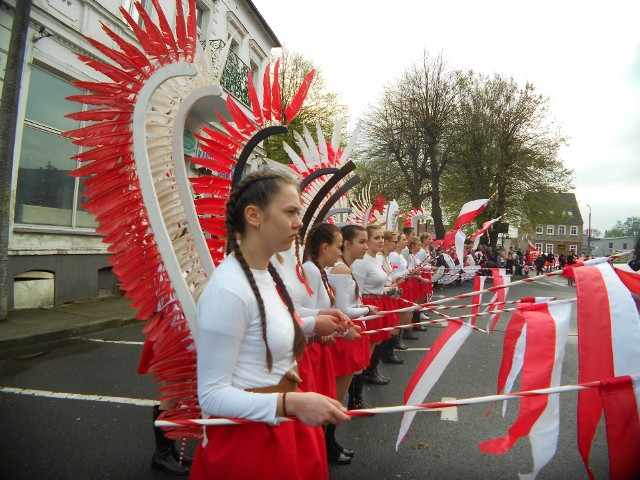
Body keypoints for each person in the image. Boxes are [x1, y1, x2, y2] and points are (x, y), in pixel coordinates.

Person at [191, 171, 350, 480]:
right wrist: (290, 402)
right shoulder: (229, 289)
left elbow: (263, 334)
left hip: (280, 430)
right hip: (251, 446)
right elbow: (210, 395)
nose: (299, 222)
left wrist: (313, 323)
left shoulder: (263, 275)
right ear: (254, 215)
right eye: (290, 211)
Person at [302, 222, 361, 465]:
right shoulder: (311, 270)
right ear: (324, 247)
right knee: (321, 401)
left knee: (327, 397)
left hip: (318, 343)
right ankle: (321, 449)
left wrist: (334, 326)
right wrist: (333, 329)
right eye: (338, 247)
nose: (339, 253)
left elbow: (317, 311)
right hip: (311, 345)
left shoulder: (318, 270)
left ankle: (326, 446)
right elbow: (311, 313)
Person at [329, 225, 378, 411]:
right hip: (342, 334)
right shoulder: (342, 270)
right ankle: (328, 439)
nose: (366, 246)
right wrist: (366, 309)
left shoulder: (346, 268)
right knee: (336, 396)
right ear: (347, 244)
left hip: (347, 330)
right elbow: (343, 310)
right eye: (362, 242)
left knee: (338, 395)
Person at [352, 225, 399, 385]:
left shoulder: (378, 258)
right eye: (376, 238)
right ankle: (363, 377)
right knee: (367, 345)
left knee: (375, 342)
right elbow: (356, 289)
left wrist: (389, 290)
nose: (381, 241)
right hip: (367, 304)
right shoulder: (361, 262)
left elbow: (379, 284)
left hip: (378, 301)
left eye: (382, 238)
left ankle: (370, 371)